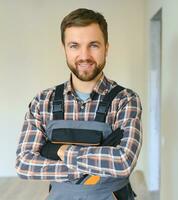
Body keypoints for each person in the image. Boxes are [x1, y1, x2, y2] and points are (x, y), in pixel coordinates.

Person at [15, 8, 142, 200]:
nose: (84, 55)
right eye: (74, 45)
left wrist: (59, 150)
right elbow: (24, 164)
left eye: (94, 45)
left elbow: (123, 162)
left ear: (106, 47)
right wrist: (85, 166)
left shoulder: (125, 100)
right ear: (64, 48)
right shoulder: (43, 101)